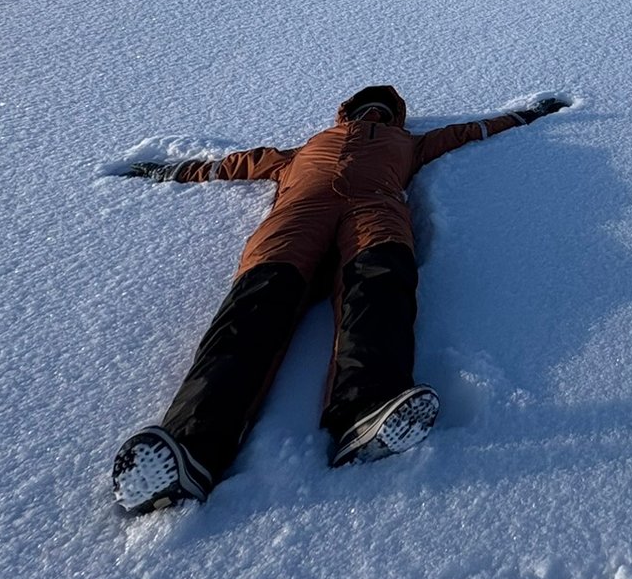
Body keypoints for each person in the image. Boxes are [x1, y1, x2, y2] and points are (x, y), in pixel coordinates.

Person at [110, 84, 570, 514]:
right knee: (253, 309)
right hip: (298, 217)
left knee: (380, 289)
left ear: (396, 119)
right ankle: (191, 446)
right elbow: (236, 164)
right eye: (367, 107)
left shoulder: (409, 145)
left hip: (374, 212)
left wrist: (528, 115)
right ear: (346, 112)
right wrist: (170, 171)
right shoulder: (303, 149)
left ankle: (366, 409)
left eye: (385, 110)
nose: (375, 112)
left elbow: (471, 131)